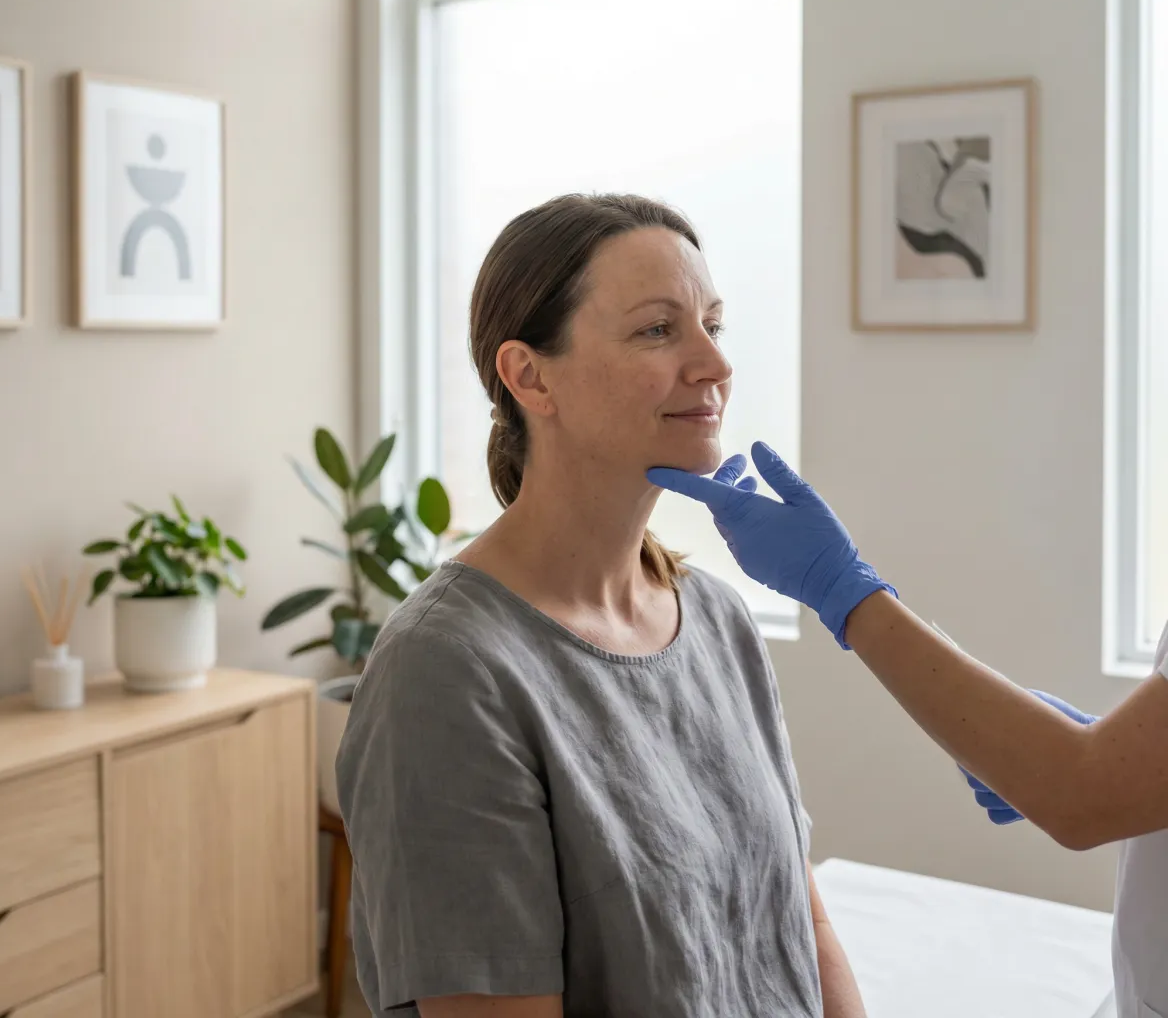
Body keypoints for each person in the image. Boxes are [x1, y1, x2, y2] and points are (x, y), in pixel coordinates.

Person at [335, 195, 866, 1018]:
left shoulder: (717, 620)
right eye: (658, 330)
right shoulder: (445, 674)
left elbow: (804, 927)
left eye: (712, 326)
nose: (714, 365)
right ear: (528, 376)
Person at [649, 442, 1168, 1018]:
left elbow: (1084, 795)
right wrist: (1115, 753)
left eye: (717, 342)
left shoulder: (717, 619)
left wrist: (840, 586)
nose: (718, 367)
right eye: (652, 340)